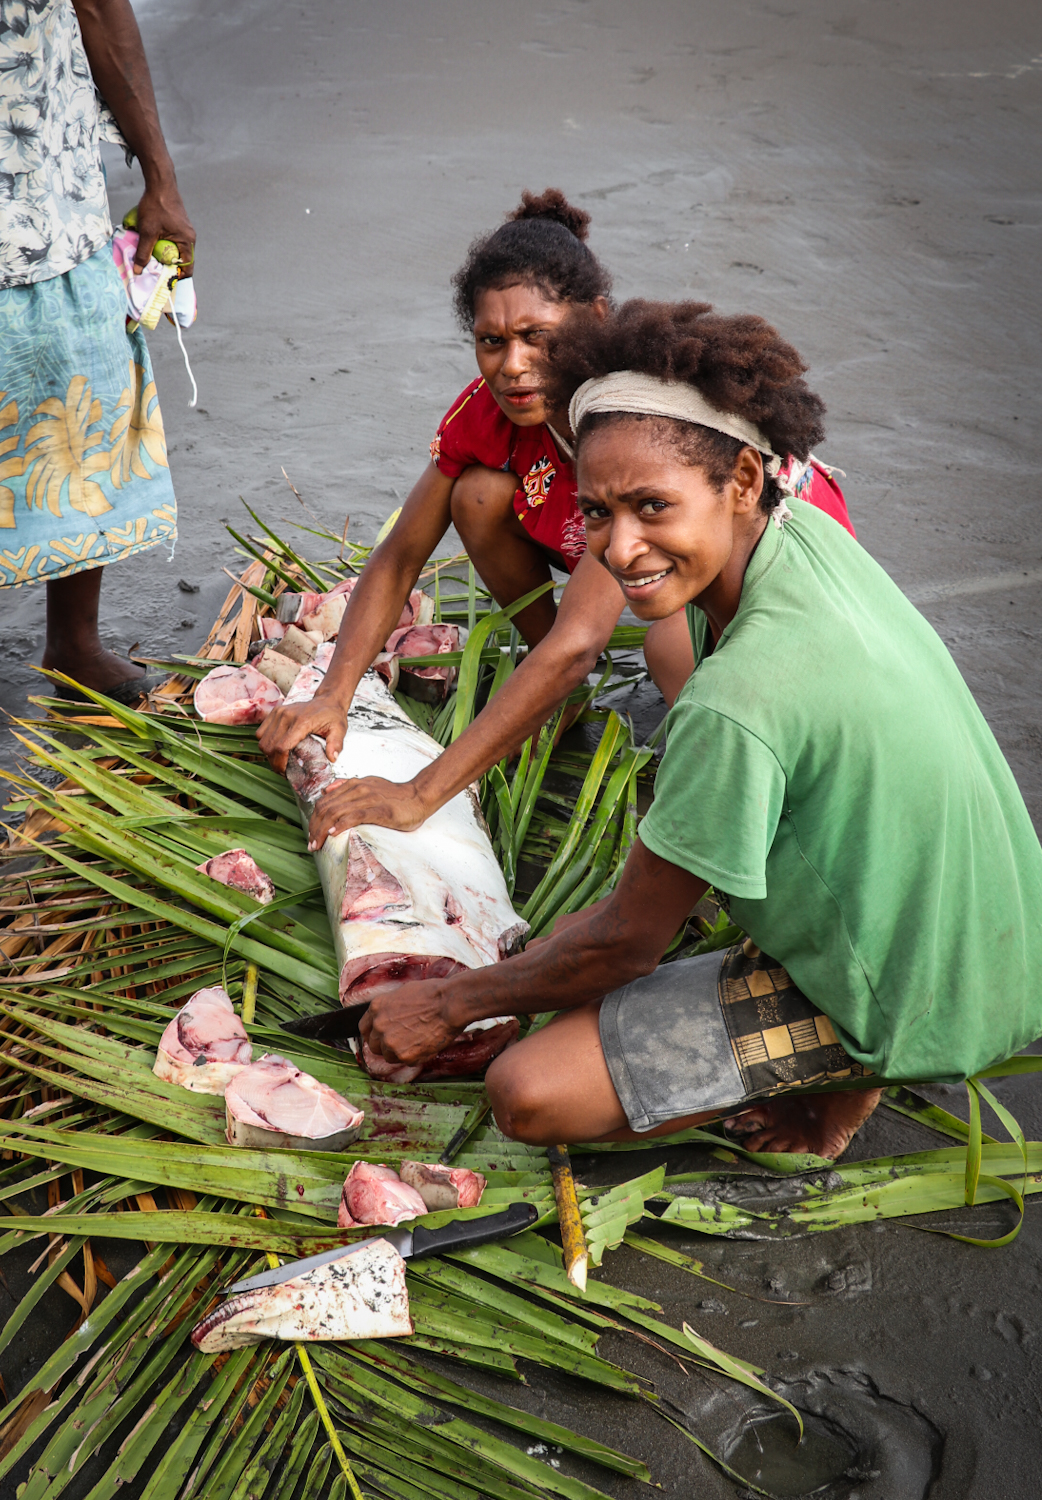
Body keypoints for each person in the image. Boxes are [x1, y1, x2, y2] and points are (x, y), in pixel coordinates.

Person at [355, 300, 1042, 1161]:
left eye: (652, 506)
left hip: (927, 991)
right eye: (597, 513)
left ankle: (860, 1067)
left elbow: (629, 945)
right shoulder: (802, 534)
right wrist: (544, 962)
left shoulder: (735, 703)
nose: (621, 547)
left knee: (527, 1092)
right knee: (562, 951)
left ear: (743, 480)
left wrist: (449, 1004)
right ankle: (840, 1059)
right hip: (989, 924)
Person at [258, 194, 853, 847]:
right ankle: (557, 695)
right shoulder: (488, 409)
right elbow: (401, 555)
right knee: (477, 495)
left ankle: (761, 810)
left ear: (593, 319)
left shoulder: (624, 422)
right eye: (492, 342)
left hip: (764, 564)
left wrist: (417, 795)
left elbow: (579, 644)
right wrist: (332, 695)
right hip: (663, 546)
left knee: (672, 651)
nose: (512, 366)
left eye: (537, 338)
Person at [0, 0, 194, 700]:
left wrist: (160, 178)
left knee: (76, 390)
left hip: (49, 180)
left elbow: (101, 8)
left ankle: (73, 641)